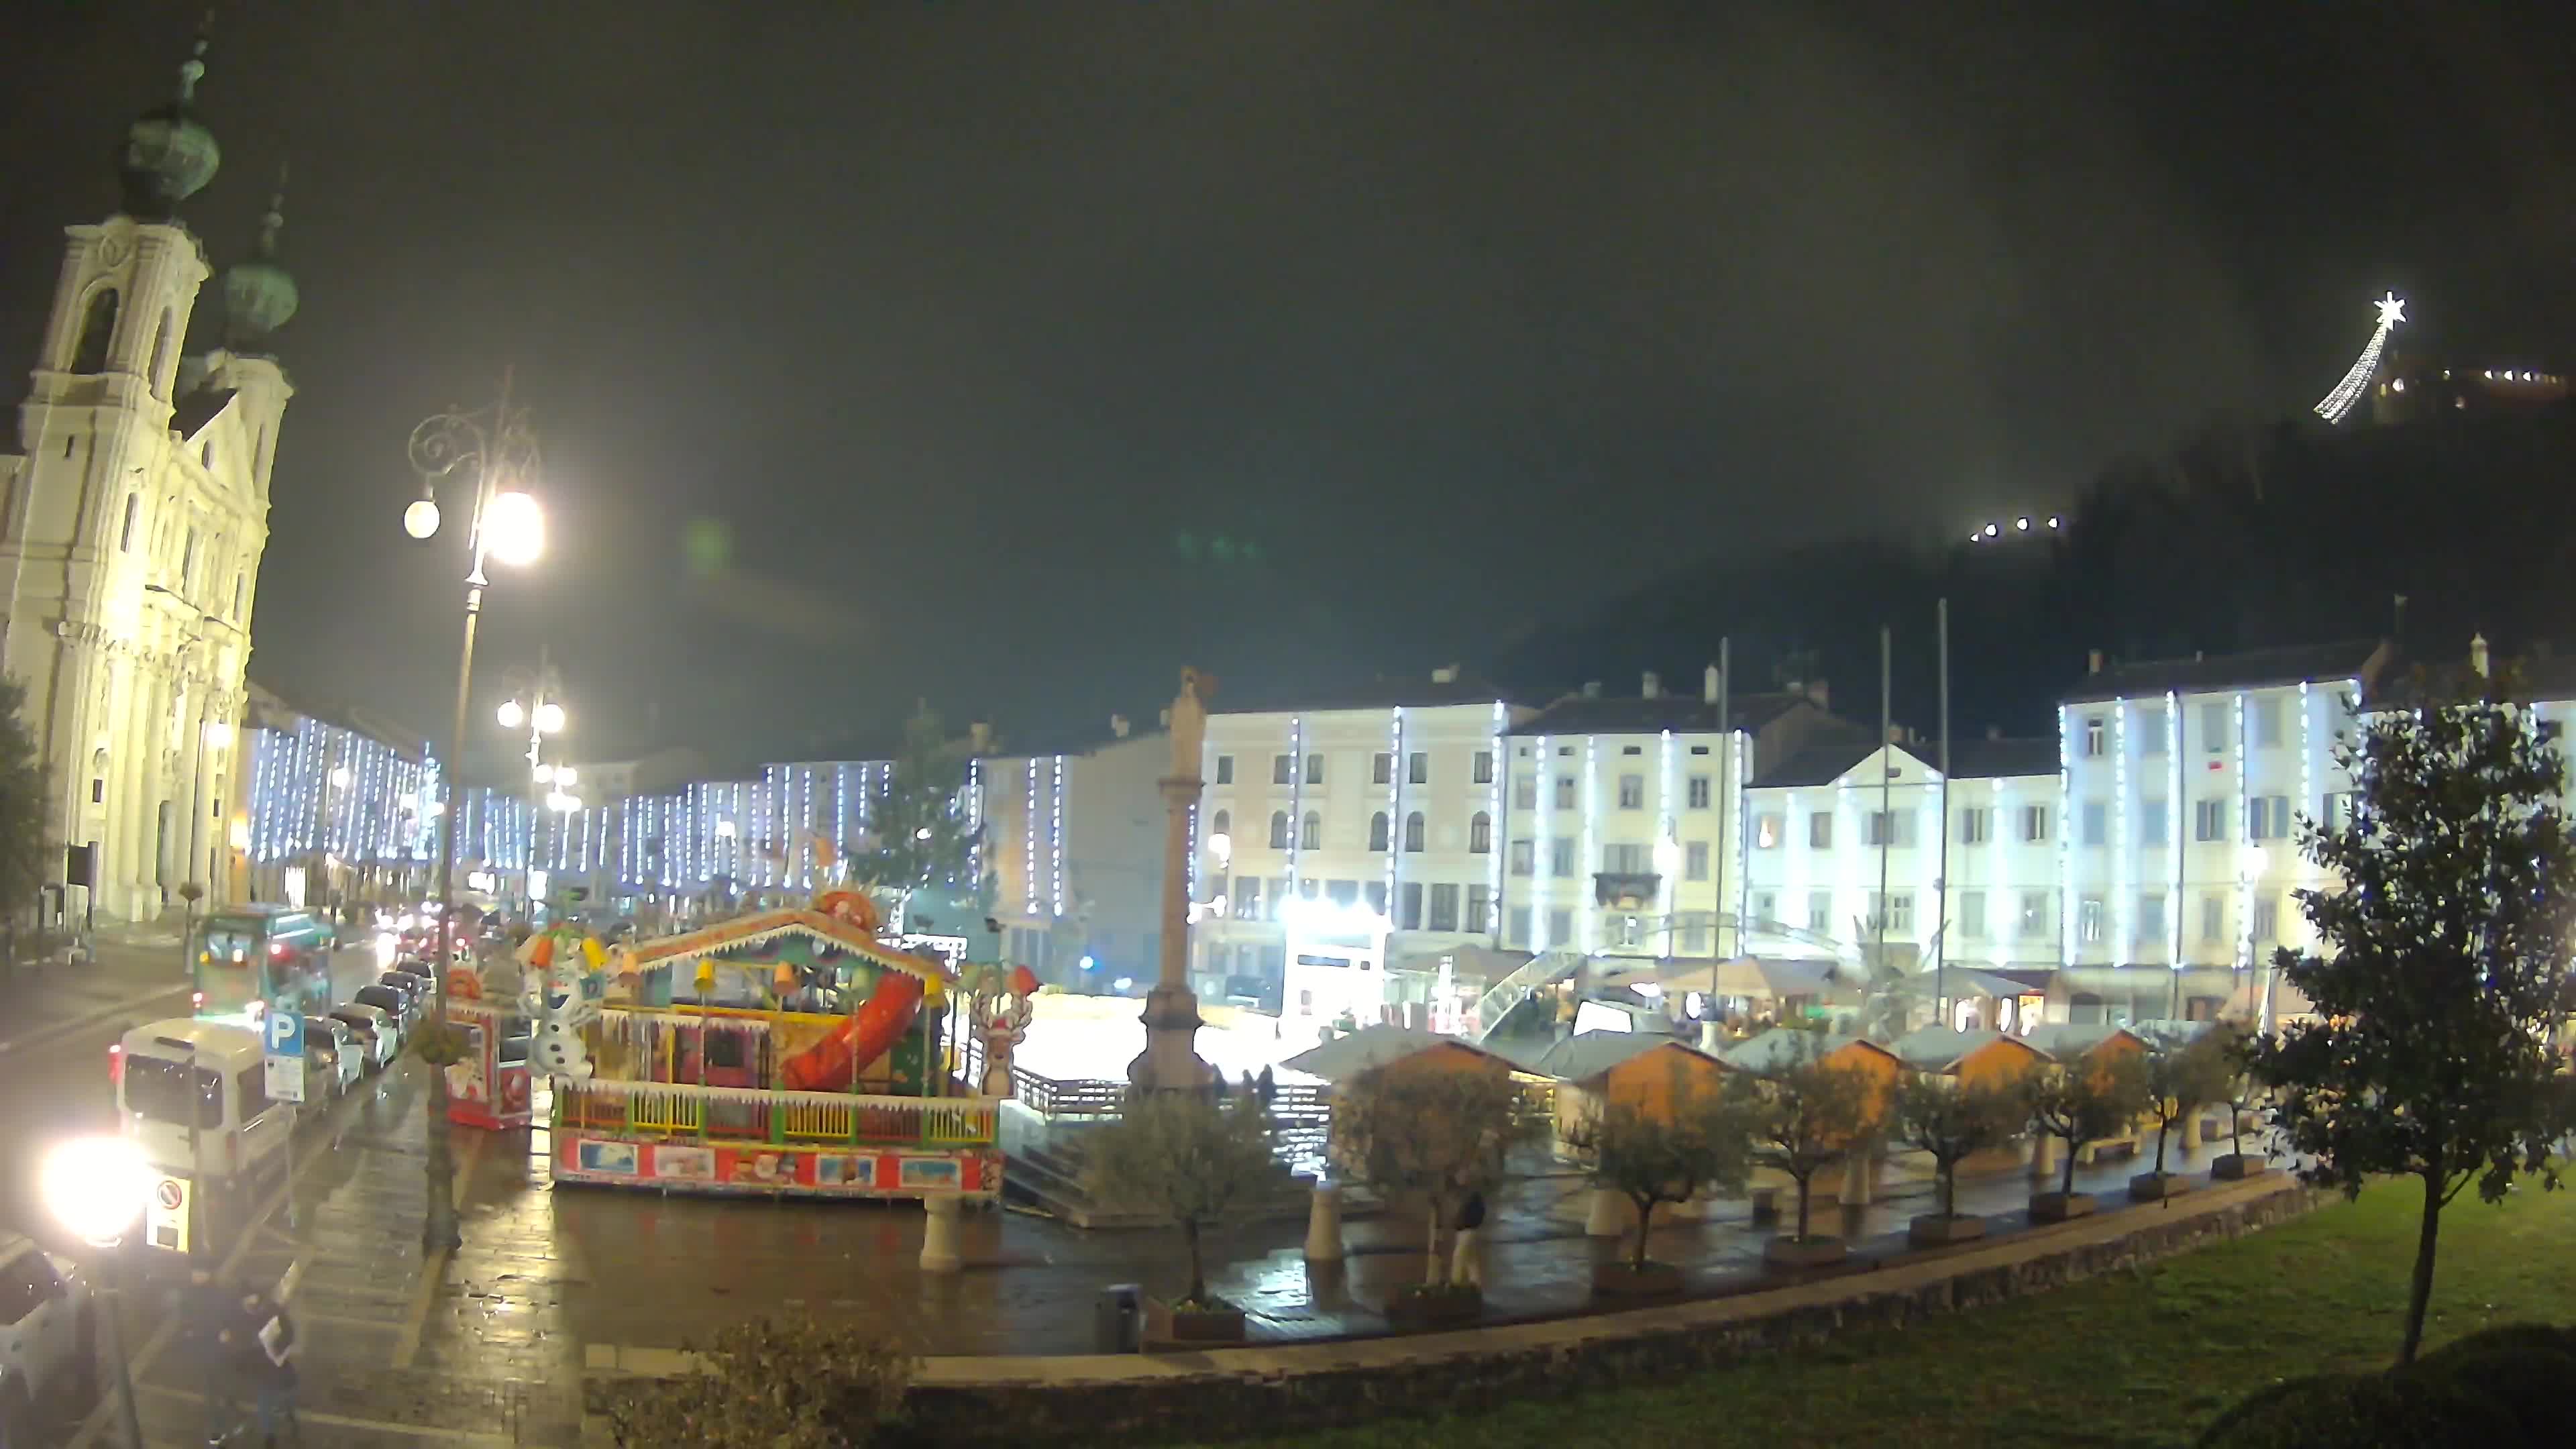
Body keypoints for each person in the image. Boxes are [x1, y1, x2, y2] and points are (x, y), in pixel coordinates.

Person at [222, 1289, 299, 1447]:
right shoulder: (242, 1319)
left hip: (277, 1363)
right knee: (265, 1402)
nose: (249, 1305)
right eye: (246, 1303)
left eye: (252, 1301)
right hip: (262, 1367)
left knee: (287, 1392)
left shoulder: (273, 1313)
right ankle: (269, 1436)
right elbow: (241, 1345)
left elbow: (288, 1333)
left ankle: (287, 1413)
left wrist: (280, 1351)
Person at [1450, 1188, 1487, 1288]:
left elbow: (1477, 1214)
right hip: (1464, 1231)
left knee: (1459, 1257)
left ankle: (1455, 1284)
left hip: (1467, 1231)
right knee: (1471, 1260)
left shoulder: (1472, 1199)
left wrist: (1469, 1224)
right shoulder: (1467, 1197)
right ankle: (1476, 1284)